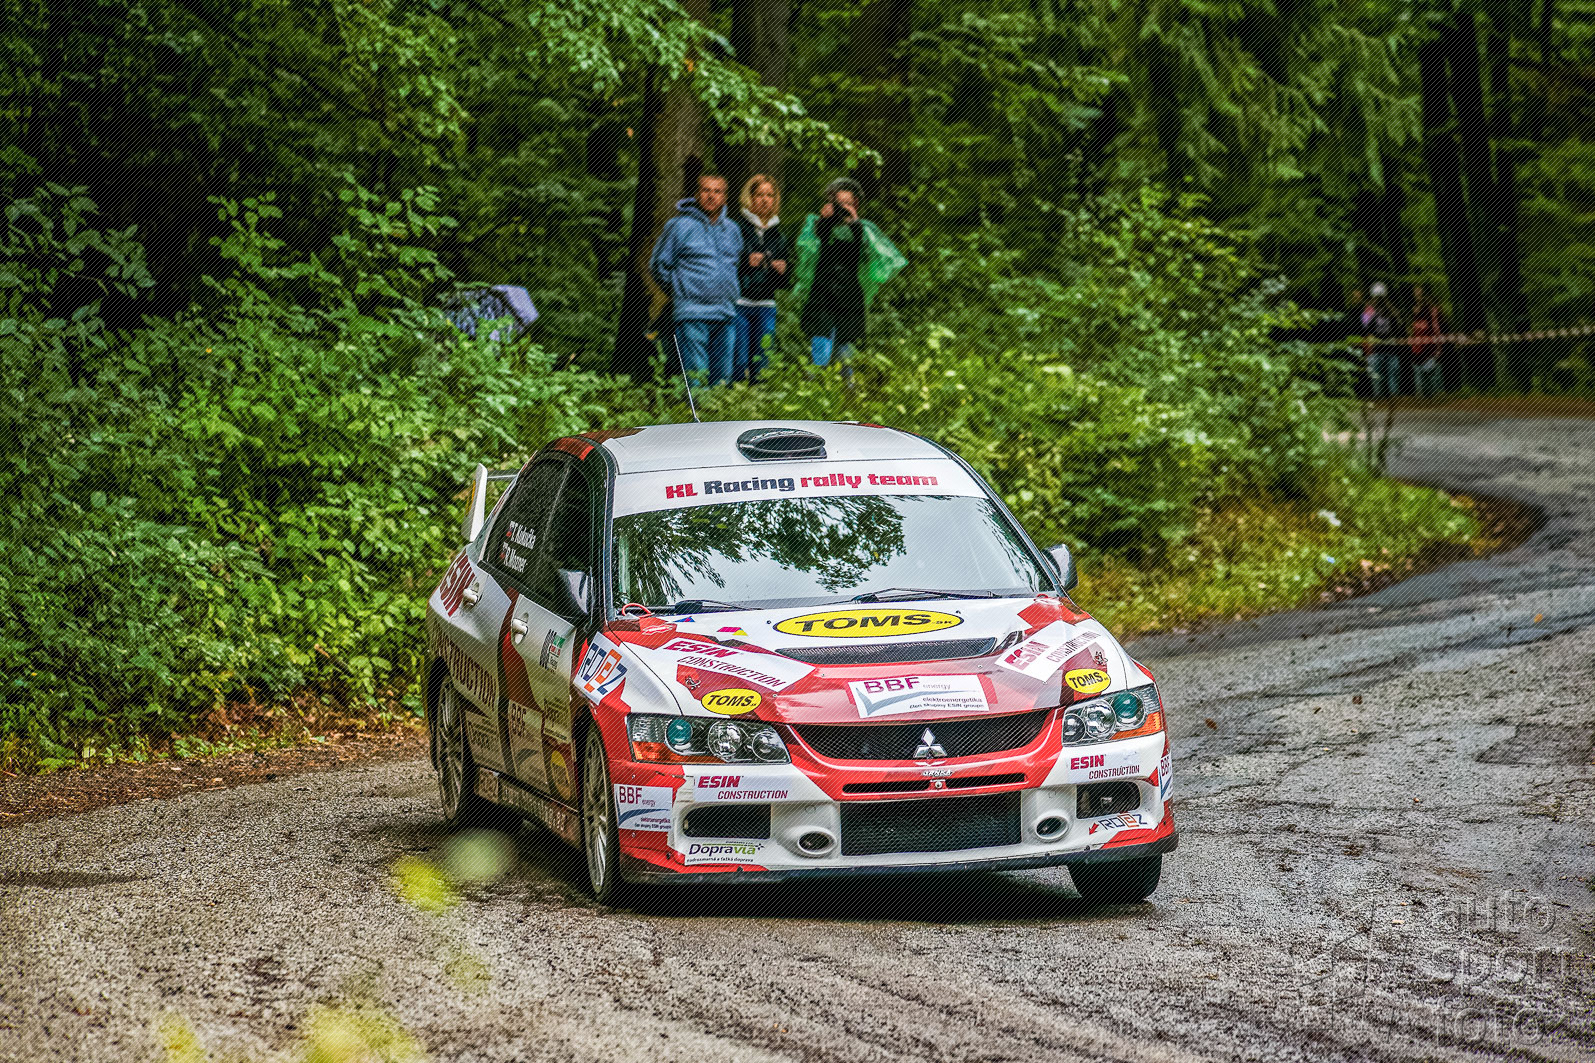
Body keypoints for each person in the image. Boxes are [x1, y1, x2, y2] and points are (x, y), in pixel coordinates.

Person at [791, 178, 906, 381]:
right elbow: (812, 243)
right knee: (821, 347)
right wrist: (825, 219)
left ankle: (847, 393)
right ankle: (813, 390)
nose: (843, 208)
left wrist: (854, 222)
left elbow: (875, 254)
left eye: (848, 204)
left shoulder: (862, 229)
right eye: (839, 204)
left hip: (849, 299)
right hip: (822, 297)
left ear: (856, 205)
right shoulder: (820, 226)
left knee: (846, 353)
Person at [650, 173, 744, 386]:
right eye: (706, 190)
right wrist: (681, 289)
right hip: (691, 313)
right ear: (696, 194)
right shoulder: (679, 226)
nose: (711, 196)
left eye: (717, 191)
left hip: (725, 313)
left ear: (725, 197)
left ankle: (717, 409)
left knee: (722, 381)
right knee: (696, 380)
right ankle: (694, 409)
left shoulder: (732, 230)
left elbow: (735, 266)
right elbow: (659, 265)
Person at [732, 175, 789, 385]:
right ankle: (734, 400)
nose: (765, 200)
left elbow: (785, 284)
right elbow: (724, 267)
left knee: (763, 362)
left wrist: (783, 270)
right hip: (740, 303)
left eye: (770, 195)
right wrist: (745, 262)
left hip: (766, 304)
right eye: (759, 195)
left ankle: (759, 401)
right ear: (750, 198)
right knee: (739, 361)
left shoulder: (779, 235)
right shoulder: (737, 229)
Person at [1363, 282, 1401, 399]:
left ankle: (1392, 402)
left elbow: (1398, 328)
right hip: (1379, 350)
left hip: (1388, 350)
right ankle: (1384, 402)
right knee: (1380, 381)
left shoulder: (1391, 311)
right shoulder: (1372, 313)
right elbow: (1367, 329)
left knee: (1389, 380)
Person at [1409, 284, 1444, 399]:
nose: (1417, 295)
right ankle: (1421, 397)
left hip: (1430, 349)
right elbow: (1411, 330)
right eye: (1416, 293)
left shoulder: (1431, 310)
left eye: (1420, 293)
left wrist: (1438, 347)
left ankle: (1435, 396)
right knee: (1419, 376)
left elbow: (1437, 329)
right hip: (1417, 349)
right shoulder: (1413, 310)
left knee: (1431, 374)